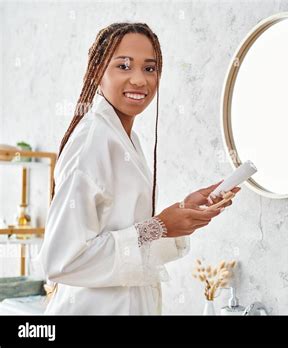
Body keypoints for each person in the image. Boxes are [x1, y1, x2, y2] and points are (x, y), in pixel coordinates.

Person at [37, 22, 240, 315]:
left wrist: (181, 214)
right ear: (97, 72)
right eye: (123, 66)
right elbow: (60, 260)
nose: (139, 80)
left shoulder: (127, 140)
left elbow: (126, 240)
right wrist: (158, 226)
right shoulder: (93, 142)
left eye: (149, 68)